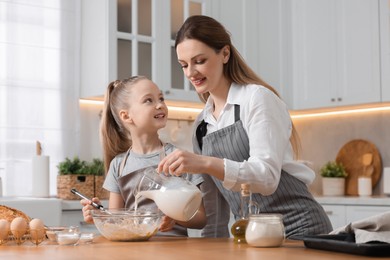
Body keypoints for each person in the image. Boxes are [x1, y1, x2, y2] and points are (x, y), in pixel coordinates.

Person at [157, 15, 333, 239]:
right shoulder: (202, 125)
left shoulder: (257, 98)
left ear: (225, 54)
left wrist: (204, 163)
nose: (190, 72)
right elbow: (215, 208)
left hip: (301, 230)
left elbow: (267, 177)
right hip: (255, 236)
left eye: (199, 61)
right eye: (184, 65)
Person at [81, 76, 206, 236]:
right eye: (149, 100)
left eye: (161, 98)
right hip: (134, 251)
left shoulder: (179, 158)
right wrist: (98, 215)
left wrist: (177, 218)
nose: (160, 104)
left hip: (174, 250)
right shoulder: (118, 165)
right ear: (126, 116)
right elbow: (116, 221)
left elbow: (201, 219)